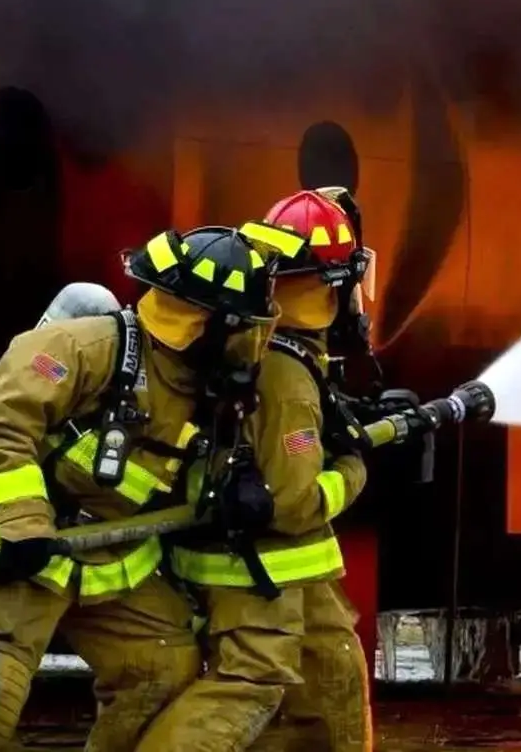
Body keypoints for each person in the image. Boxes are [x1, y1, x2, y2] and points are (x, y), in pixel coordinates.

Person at [0, 225, 279, 751]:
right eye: (246, 329)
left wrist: (235, 486)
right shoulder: (80, 346)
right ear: (212, 323)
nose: (252, 345)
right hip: (20, 553)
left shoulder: (209, 387)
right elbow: (1, 428)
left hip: (108, 559)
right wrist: (24, 524)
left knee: (162, 671)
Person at [141, 189, 376, 752]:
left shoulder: (261, 345)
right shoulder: (286, 374)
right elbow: (294, 503)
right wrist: (353, 467)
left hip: (281, 571)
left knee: (329, 687)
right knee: (250, 690)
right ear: (334, 282)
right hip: (261, 569)